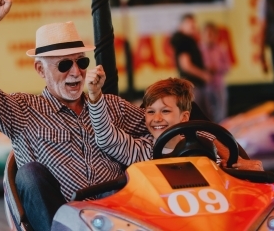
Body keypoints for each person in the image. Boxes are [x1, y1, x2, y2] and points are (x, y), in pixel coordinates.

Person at [0, 0, 149, 231]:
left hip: (122, 219)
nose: (75, 72)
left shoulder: (111, 105)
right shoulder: (23, 111)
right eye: (64, 64)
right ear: (40, 69)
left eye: (81, 62)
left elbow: (161, 129)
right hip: (64, 221)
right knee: (29, 174)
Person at [86, 71, 263, 171]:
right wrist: (94, 97)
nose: (157, 119)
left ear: (184, 117)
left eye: (165, 111)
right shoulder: (141, 151)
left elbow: (229, 170)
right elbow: (106, 138)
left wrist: (249, 169)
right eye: (150, 112)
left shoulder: (204, 145)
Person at [170, 13, 212, 120]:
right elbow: (186, 65)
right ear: (182, 25)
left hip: (193, 84)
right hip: (193, 85)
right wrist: (203, 75)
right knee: (200, 117)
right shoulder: (184, 41)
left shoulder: (186, 41)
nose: (194, 27)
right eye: (190, 24)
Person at [199, 22, 231, 123]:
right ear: (202, 35)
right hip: (205, 87)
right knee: (205, 112)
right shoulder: (199, 51)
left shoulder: (221, 50)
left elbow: (227, 67)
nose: (209, 37)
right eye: (207, 34)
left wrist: (216, 68)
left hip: (218, 85)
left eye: (212, 34)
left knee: (221, 112)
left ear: (216, 35)